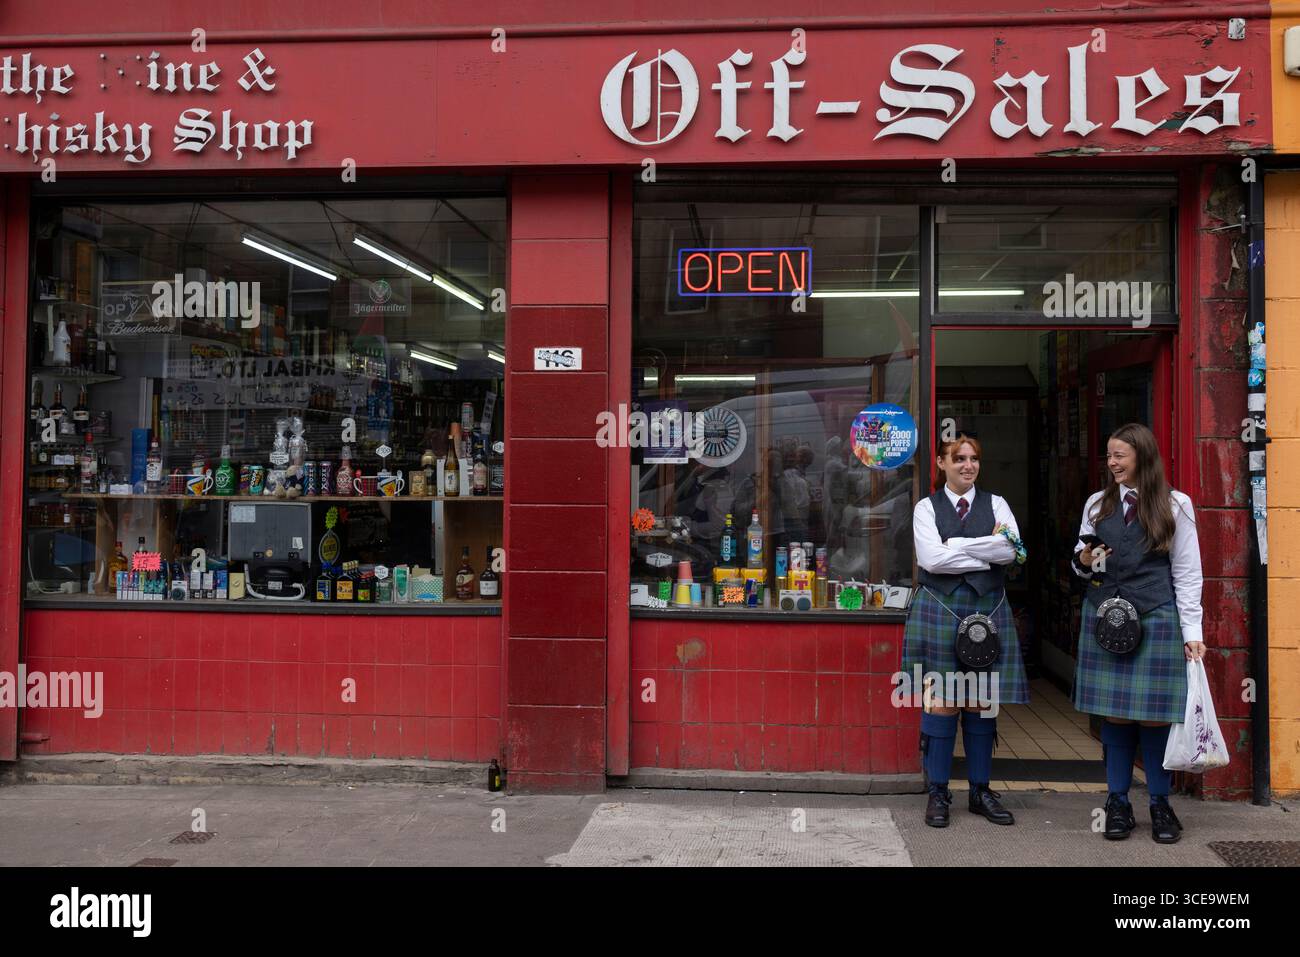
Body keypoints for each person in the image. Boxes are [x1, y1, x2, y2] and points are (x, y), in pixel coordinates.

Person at [1071, 422, 1205, 844]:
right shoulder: (1097, 504)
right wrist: (1086, 558)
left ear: (1142, 457)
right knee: (1114, 713)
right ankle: (1117, 802)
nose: (1111, 463)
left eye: (1119, 456)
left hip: (1156, 615)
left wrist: (1192, 631)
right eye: (1109, 456)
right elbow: (1081, 564)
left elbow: (1186, 573)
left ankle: (1160, 804)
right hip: (1105, 615)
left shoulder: (1176, 505)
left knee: (1155, 714)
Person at [903, 433, 1029, 828]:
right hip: (939, 609)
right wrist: (981, 546)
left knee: (980, 702)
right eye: (958, 458)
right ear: (942, 464)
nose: (967, 465)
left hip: (986, 609)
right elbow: (931, 560)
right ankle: (938, 792)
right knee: (940, 701)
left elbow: (1010, 552)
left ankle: (979, 792)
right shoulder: (926, 507)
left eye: (974, 458)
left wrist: (955, 544)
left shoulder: (999, 504)